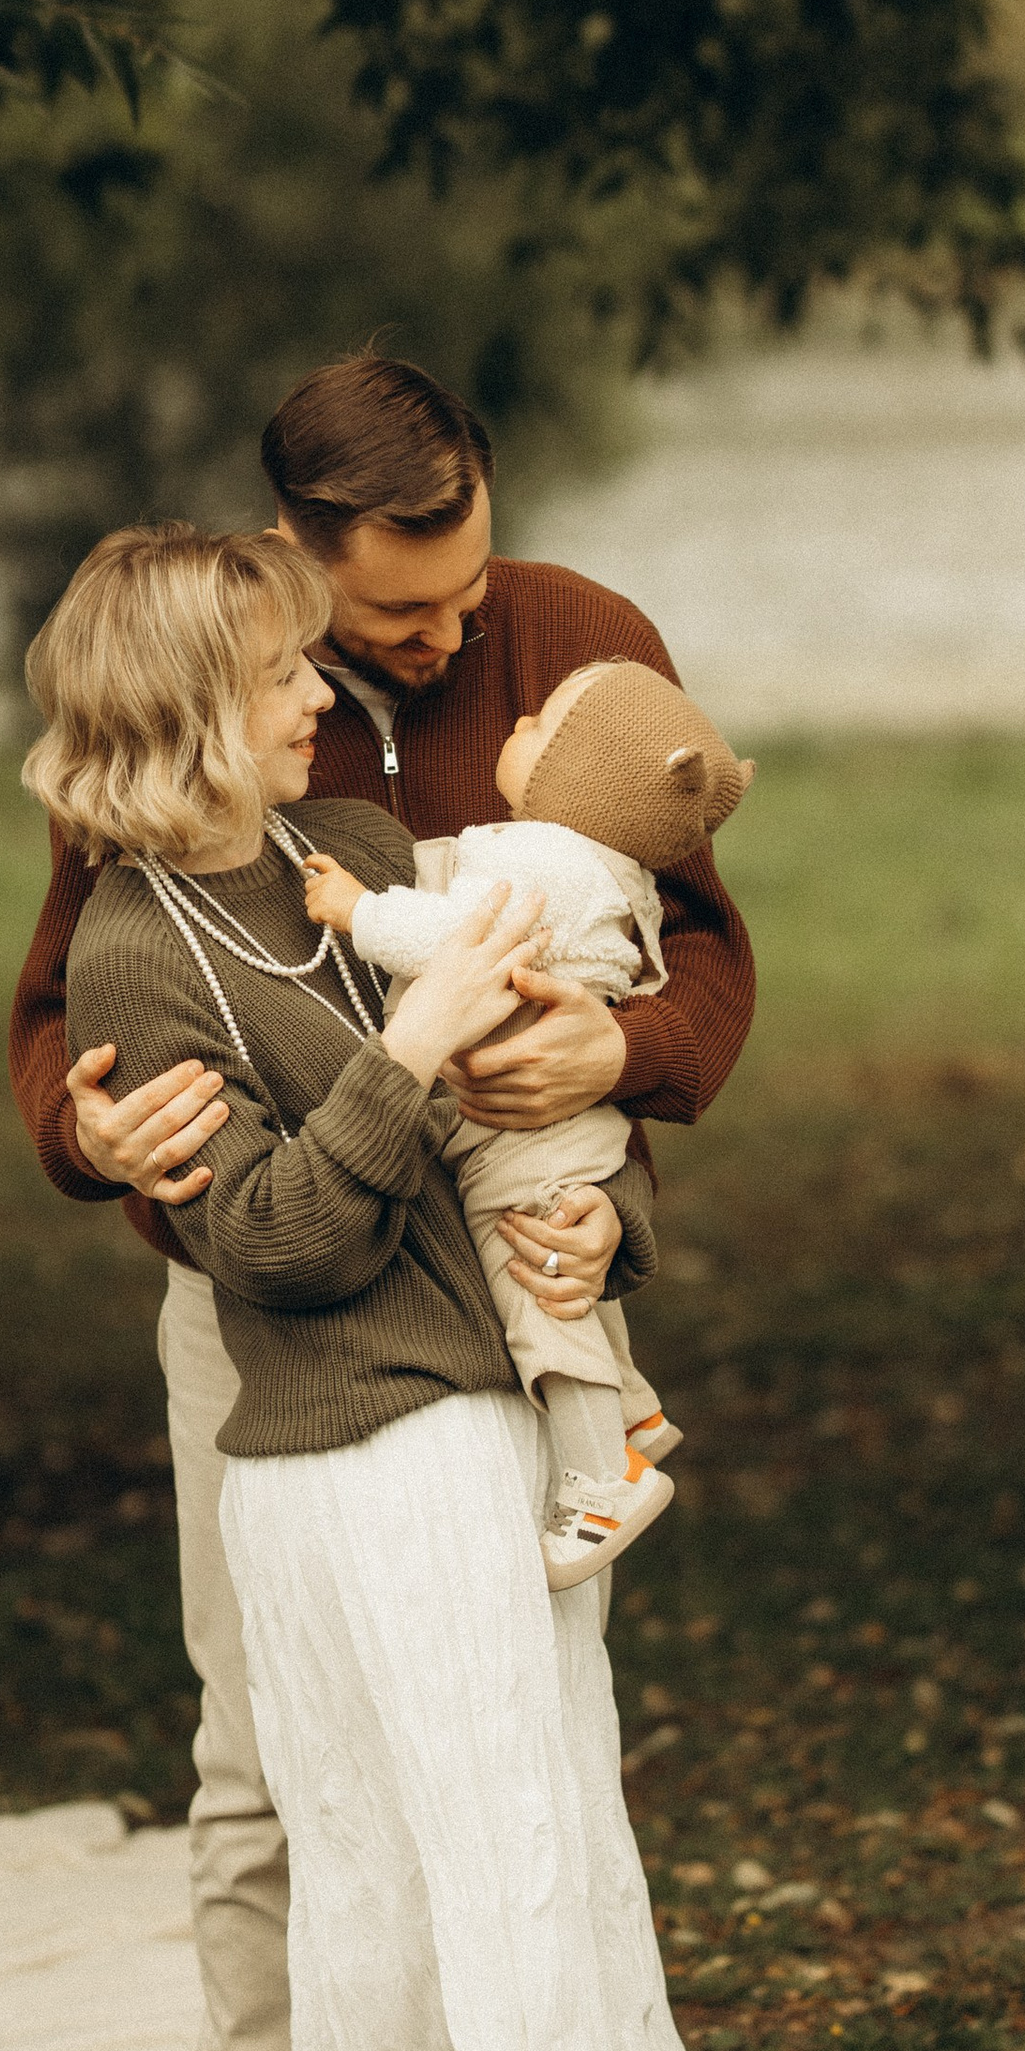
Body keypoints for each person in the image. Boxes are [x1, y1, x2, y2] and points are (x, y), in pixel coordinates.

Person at [4, 352, 755, 2051]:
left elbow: (688, 939)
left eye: (459, 591)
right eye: (390, 613)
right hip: (275, 1309)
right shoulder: (214, 691)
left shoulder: (580, 651)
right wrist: (90, 1133)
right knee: (268, 1759)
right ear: (297, 566)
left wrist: (619, 1071)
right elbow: (74, 1004)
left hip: (497, 1260)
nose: (431, 642)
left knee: (519, 1755)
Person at [301, 653, 756, 1591]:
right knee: (567, 1277)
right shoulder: (598, 870)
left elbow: (453, 948)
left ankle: (601, 1481)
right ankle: (631, 1410)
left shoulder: (541, 864)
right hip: (559, 1126)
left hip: (521, 1129)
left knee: (539, 1296)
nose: (515, 727)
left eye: (541, 730)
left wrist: (356, 909)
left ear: (580, 782)